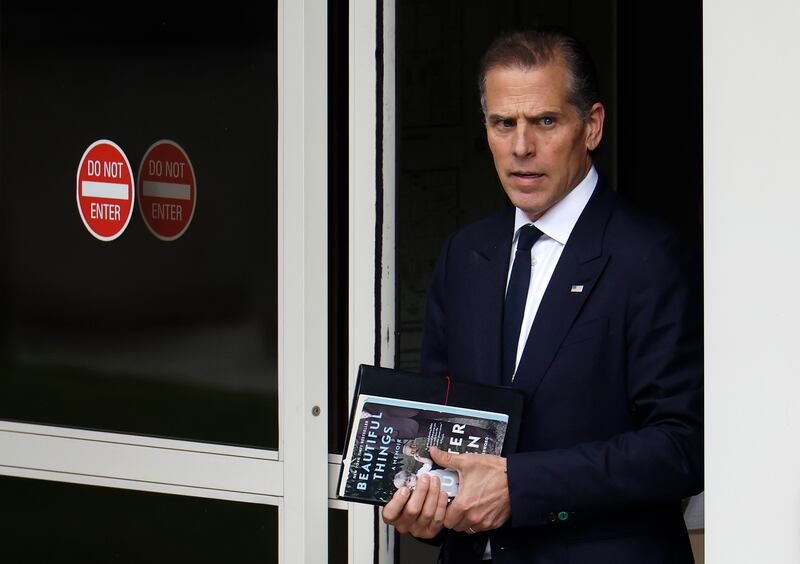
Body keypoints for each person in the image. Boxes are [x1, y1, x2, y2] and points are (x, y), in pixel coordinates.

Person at [382, 28, 703, 563]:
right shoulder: (465, 255)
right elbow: (436, 425)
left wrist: (521, 487)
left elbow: (681, 446)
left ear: (592, 126)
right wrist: (426, 504)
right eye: (503, 124)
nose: (521, 147)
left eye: (545, 121)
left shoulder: (652, 257)